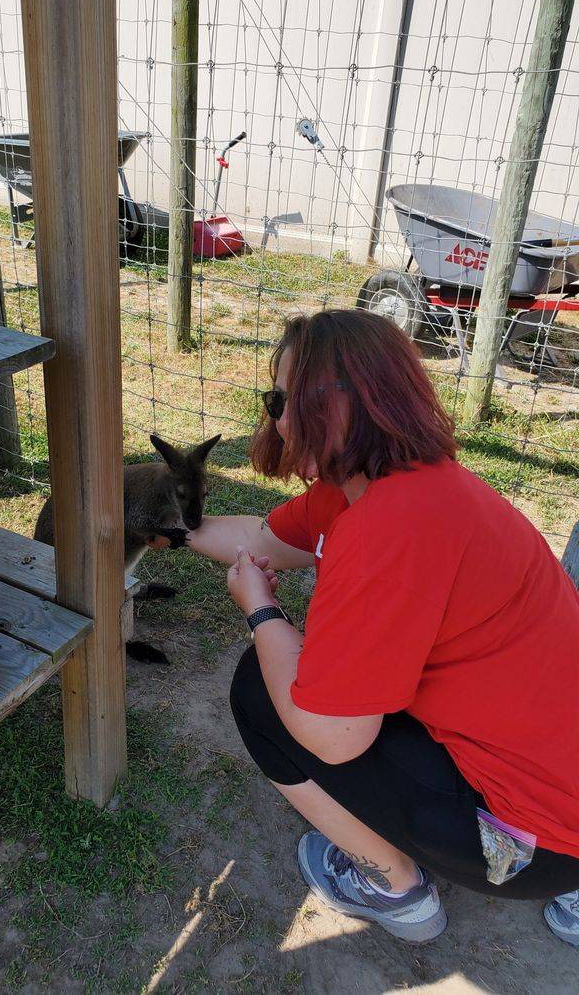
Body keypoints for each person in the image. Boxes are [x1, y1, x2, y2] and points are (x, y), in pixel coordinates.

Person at [174, 309, 579, 944]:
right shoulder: (388, 484)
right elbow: (259, 538)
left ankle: (396, 891)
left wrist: (261, 612)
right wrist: (167, 526)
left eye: (282, 399)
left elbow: (334, 738)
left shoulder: (383, 531)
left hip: (535, 845)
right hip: (558, 781)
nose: (276, 418)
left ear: (336, 405)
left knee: (262, 690)